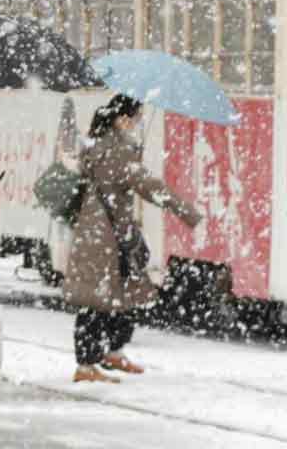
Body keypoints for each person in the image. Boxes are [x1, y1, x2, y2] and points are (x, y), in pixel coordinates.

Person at [66, 94, 203, 384]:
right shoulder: (115, 151)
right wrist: (186, 211)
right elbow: (148, 186)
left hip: (101, 232)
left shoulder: (98, 144)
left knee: (121, 295)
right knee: (98, 301)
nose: (138, 123)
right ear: (122, 119)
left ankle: (110, 353)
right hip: (104, 235)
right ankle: (87, 364)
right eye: (136, 118)